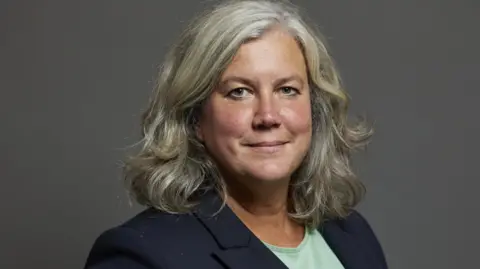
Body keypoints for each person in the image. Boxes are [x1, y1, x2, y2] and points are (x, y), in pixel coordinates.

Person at [84, 0, 388, 268]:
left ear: (314, 108)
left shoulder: (352, 235)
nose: (267, 116)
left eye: (287, 90)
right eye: (239, 92)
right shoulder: (142, 255)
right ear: (195, 118)